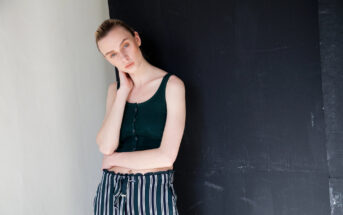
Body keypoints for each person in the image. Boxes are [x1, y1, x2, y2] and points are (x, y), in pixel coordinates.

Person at [92, 18, 186, 215]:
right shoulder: (115, 91)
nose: (123, 57)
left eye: (125, 45)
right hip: (110, 193)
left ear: (136, 39)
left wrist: (113, 160)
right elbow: (106, 146)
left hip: (151, 193)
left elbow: (167, 156)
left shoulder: (171, 86)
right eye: (113, 55)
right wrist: (123, 91)